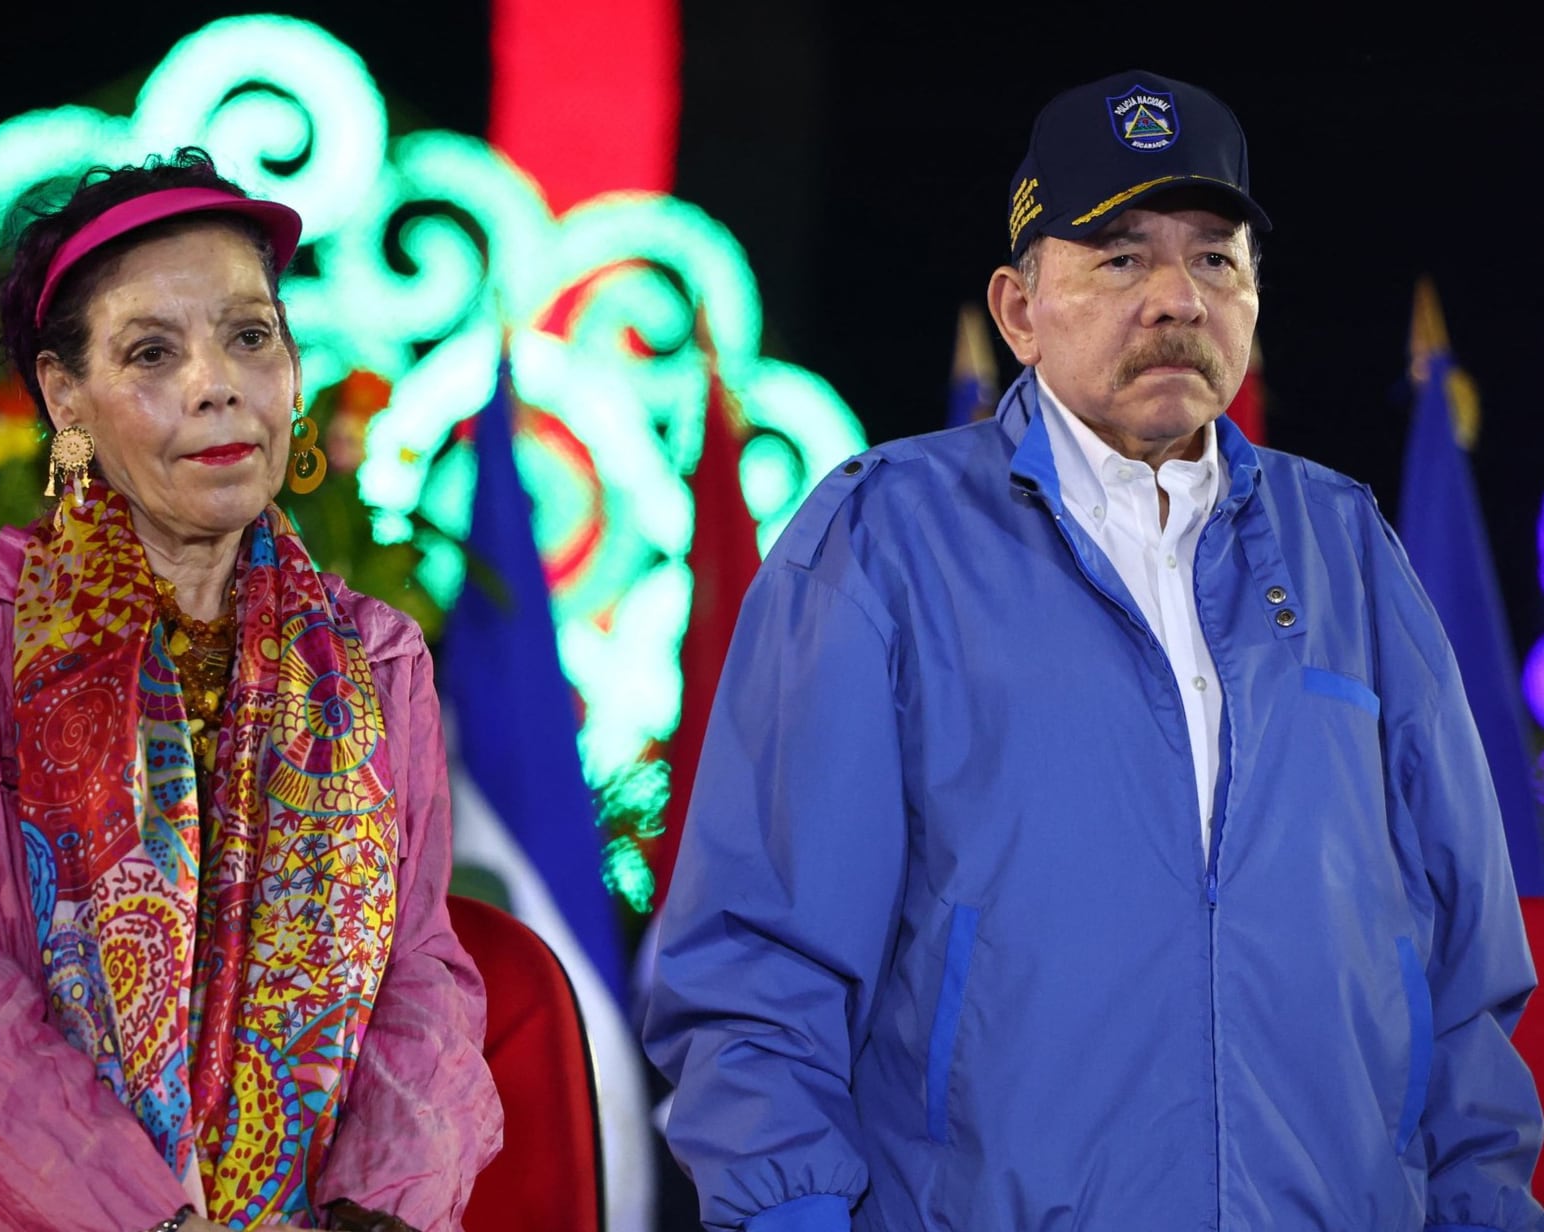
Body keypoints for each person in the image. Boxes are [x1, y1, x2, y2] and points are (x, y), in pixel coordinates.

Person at [643, 69, 1544, 1232]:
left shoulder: (1349, 548)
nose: (1177, 296)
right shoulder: (882, 540)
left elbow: (1467, 967)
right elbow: (763, 972)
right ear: (1019, 309)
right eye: (1120, 256)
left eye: (1215, 258)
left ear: (1255, 299)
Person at [0, 149, 501, 1232]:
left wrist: (379, 1210)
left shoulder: (377, 657)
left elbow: (420, 978)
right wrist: (145, 1218)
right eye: (152, 350)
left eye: (249, 334)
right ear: (66, 397)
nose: (216, 381)